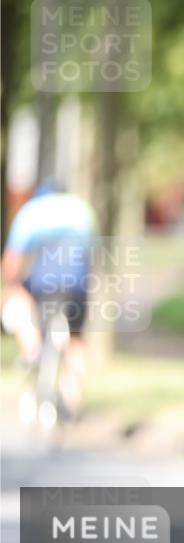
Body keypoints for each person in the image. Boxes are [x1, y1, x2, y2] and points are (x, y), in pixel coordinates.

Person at [1, 177, 96, 420]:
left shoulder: (32, 211)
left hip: (44, 282)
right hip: (77, 283)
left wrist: (11, 286)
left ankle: (32, 350)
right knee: (76, 340)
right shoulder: (82, 209)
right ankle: (72, 399)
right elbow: (92, 255)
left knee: (17, 296)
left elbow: (12, 261)